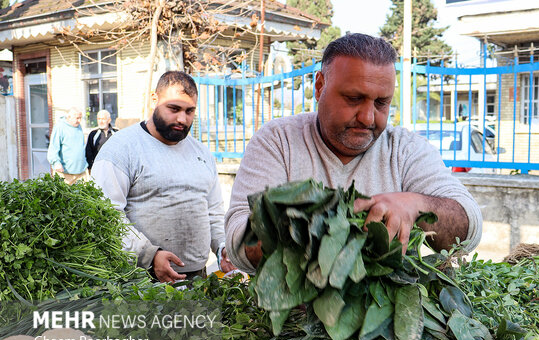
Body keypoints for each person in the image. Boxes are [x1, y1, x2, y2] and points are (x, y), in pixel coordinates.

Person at [225, 33, 483, 273]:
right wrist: (308, 229)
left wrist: (416, 205)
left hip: (389, 315)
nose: (368, 117)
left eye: (382, 103)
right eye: (353, 98)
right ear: (319, 86)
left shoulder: (406, 149)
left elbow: (468, 229)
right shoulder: (278, 140)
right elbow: (239, 239)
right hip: (294, 315)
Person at [91, 71, 235, 283]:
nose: (182, 119)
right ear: (154, 100)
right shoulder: (121, 148)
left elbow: (213, 212)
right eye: (174, 109)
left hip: (197, 278)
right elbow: (106, 214)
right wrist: (149, 256)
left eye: (189, 111)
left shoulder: (201, 153)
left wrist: (223, 246)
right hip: (140, 281)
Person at [47, 107, 88, 184]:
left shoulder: (79, 126)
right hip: (65, 173)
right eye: (77, 118)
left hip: (81, 172)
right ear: (69, 117)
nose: (79, 121)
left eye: (80, 118)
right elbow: (53, 147)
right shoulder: (59, 127)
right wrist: (56, 163)